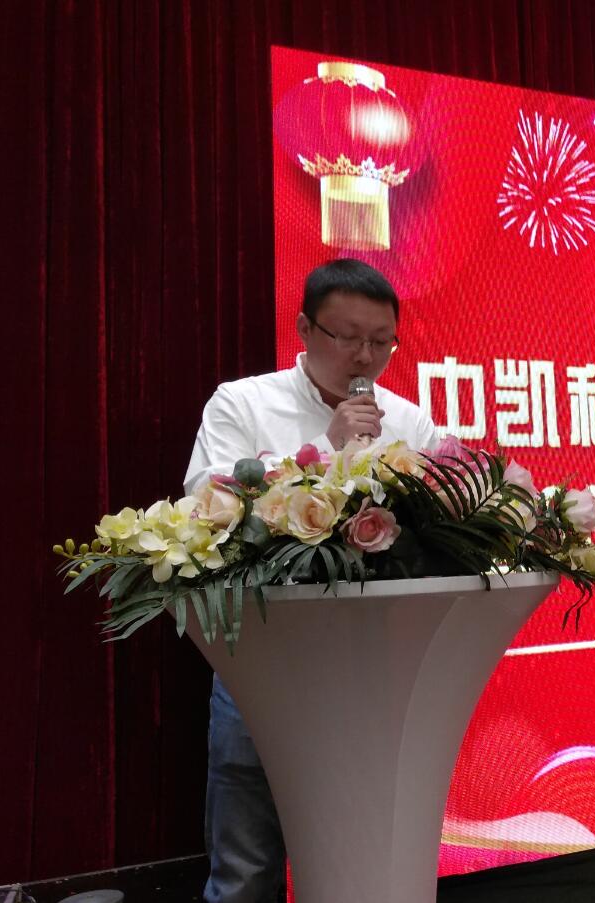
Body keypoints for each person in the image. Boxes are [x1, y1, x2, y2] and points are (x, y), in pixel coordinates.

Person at [184, 258, 439, 903]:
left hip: (370, 674)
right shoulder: (242, 402)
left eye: (381, 341)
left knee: (359, 861)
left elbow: (439, 532)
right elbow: (204, 510)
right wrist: (327, 450)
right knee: (245, 872)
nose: (366, 357)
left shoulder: (410, 423)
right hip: (262, 665)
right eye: (347, 337)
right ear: (303, 328)